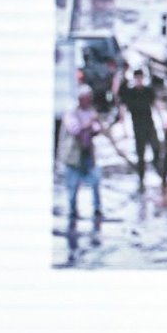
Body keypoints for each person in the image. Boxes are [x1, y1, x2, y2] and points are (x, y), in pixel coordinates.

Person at [60, 85, 106, 228]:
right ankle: (72, 212)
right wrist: (90, 124)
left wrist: (94, 126)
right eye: (88, 98)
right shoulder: (71, 114)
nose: (90, 100)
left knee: (95, 181)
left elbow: (97, 129)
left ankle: (97, 209)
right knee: (73, 187)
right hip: (73, 157)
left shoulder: (91, 112)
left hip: (87, 154)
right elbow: (76, 130)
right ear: (81, 99)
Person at [116, 68, 161, 187]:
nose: (139, 80)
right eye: (137, 78)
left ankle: (160, 172)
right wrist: (124, 128)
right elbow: (123, 107)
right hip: (137, 126)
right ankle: (141, 179)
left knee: (156, 149)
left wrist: (162, 122)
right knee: (141, 154)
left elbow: (155, 105)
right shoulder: (130, 93)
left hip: (149, 124)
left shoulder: (148, 91)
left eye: (140, 78)